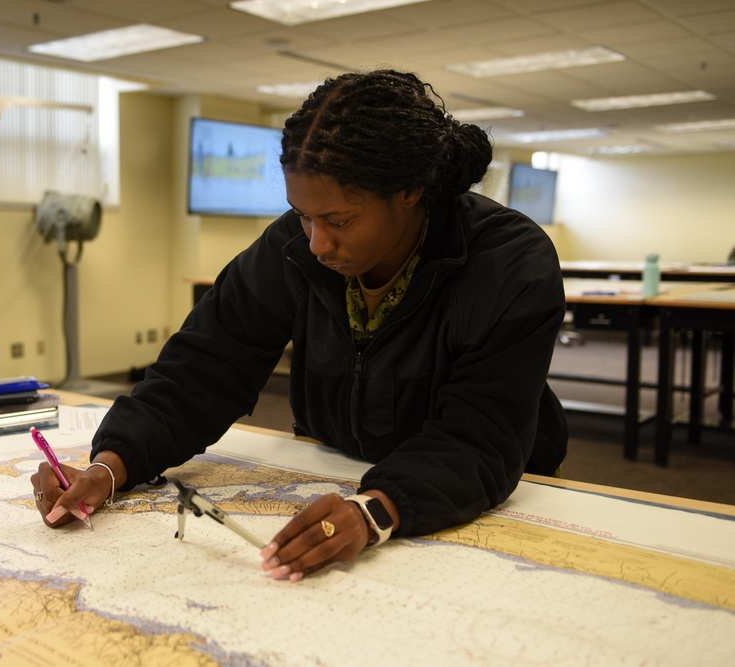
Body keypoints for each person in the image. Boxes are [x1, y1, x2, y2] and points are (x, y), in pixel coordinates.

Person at [32, 69, 568, 583]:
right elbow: (202, 368)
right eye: (303, 215)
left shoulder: (509, 262)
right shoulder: (291, 248)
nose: (316, 244)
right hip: (338, 468)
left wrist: (376, 510)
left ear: (409, 191)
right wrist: (109, 466)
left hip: (482, 490)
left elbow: (479, 436)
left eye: (338, 220)